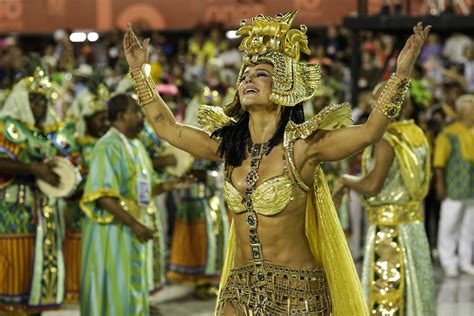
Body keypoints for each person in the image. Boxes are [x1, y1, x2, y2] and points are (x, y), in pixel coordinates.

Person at [124, 12, 429, 315]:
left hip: (297, 294)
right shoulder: (229, 148)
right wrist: (139, 72)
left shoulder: (304, 148)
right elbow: (168, 128)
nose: (248, 79)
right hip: (238, 290)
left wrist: (400, 75)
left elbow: (369, 132)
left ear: (283, 86)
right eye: (245, 76)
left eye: (261, 74)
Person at [79, 94, 191, 315]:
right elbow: (102, 195)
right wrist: (135, 225)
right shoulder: (106, 146)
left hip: (132, 226)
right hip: (111, 230)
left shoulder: (136, 145)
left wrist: (169, 186)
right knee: (113, 286)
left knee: (132, 285)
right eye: (138, 112)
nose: (143, 117)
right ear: (121, 116)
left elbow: (144, 186)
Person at [334, 86, 436, 315]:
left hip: (390, 234)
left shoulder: (386, 139)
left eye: (375, 102)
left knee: (388, 300)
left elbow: (372, 186)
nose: (372, 107)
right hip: (413, 228)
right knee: (414, 296)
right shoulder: (414, 134)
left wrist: (346, 180)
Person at [0, 68, 65, 313]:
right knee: (12, 262)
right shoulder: (6, 128)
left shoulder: (49, 133)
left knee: (35, 267)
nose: (39, 106)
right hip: (12, 209)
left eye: (43, 100)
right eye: (34, 100)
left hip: (44, 212)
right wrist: (32, 168)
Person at [62, 84, 111, 302]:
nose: (104, 123)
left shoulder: (109, 144)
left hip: (105, 209)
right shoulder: (77, 144)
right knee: (77, 246)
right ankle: (74, 289)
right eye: (99, 118)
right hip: (80, 207)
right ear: (87, 119)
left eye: (106, 118)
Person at [434, 94, 474, 277]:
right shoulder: (449, 134)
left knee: (469, 227)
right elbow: (439, 163)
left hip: (471, 189)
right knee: (449, 225)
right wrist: (440, 184)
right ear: (461, 112)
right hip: (453, 188)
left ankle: (465, 261)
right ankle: (449, 261)